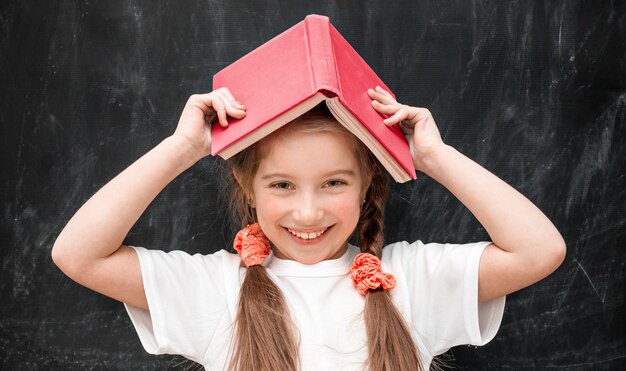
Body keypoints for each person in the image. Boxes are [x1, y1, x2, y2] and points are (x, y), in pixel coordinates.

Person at [52, 86, 566, 371]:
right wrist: (184, 147)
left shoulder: (412, 279)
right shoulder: (213, 288)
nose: (307, 212)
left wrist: (434, 155)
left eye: (334, 183)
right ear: (247, 186)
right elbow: (79, 255)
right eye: (281, 185)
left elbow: (538, 250)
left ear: (367, 181)